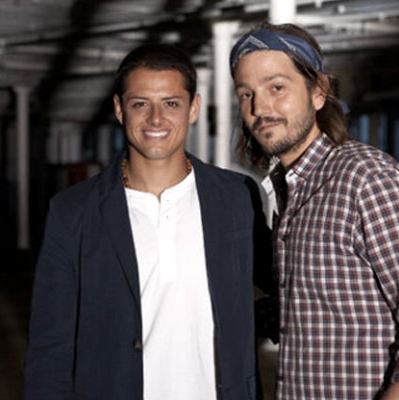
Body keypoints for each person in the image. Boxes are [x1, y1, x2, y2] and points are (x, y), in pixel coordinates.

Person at [230, 22, 399, 399]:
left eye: (277, 88)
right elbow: (331, 303)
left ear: (318, 92)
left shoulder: (366, 177)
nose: (260, 108)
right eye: (246, 94)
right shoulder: (289, 189)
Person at [24, 43, 272, 400]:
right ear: (119, 109)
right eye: (141, 104)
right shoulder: (73, 211)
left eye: (171, 103)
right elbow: (50, 346)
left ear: (193, 108)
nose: (156, 119)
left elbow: (285, 281)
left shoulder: (236, 197)